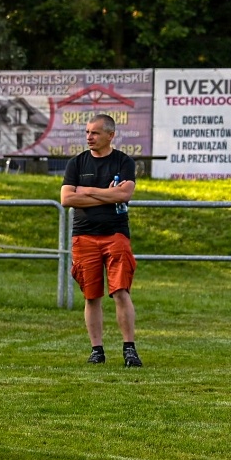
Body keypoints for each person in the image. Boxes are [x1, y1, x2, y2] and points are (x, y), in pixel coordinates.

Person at [61, 113, 141, 367]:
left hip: (116, 235)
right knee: (91, 296)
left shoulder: (123, 162)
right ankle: (97, 350)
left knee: (120, 292)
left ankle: (129, 349)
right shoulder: (76, 163)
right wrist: (108, 194)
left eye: (95, 133)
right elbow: (67, 199)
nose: (89, 137)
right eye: (87, 132)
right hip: (84, 236)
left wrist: (88, 192)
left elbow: (124, 194)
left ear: (110, 135)